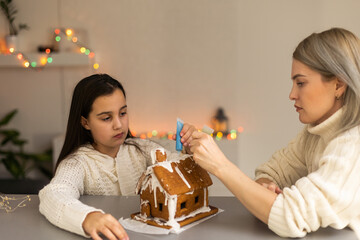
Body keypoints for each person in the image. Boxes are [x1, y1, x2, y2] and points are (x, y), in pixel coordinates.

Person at [189, 27, 360, 238]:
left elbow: (290, 218)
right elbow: (270, 172)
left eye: (301, 83)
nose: (292, 94)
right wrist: (265, 190)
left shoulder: (353, 147)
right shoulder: (314, 135)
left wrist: (220, 165)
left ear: (339, 84)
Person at [39, 74, 196, 240]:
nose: (119, 125)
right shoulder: (78, 163)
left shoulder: (143, 150)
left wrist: (190, 150)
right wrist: (87, 217)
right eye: (106, 118)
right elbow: (53, 195)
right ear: (85, 122)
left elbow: (180, 169)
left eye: (122, 113)